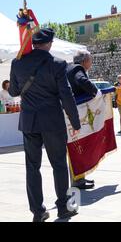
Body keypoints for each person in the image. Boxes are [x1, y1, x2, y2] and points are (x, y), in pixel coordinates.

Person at [8, 28, 80, 222]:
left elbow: (14, 91)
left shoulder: (17, 62)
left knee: (32, 167)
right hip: (52, 122)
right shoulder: (56, 63)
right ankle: (63, 207)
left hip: (30, 122)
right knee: (58, 164)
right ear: (49, 43)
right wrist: (75, 121)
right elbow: (66, 95)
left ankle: (38, 212)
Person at [66, 50, 97, 190]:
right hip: (76, 113)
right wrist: (96, 92)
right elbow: (82, 81)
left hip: (71, 113)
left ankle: (80, 179)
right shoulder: (77, 69)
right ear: (84, 61)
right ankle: (77, 180)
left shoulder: (69, 68)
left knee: (78, 147)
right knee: (77, 147)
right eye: (90, 60)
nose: (91, 62)